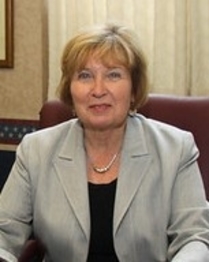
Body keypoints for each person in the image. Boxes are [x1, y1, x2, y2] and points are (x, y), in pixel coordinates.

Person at [0, 23, 209, 262]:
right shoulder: (36, 150)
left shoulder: (175, 148)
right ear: (70, 89)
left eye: (113, 75)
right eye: (85, 76)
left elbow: (195, 238)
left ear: (133, 89)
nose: (98, 90)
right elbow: (4, 232)